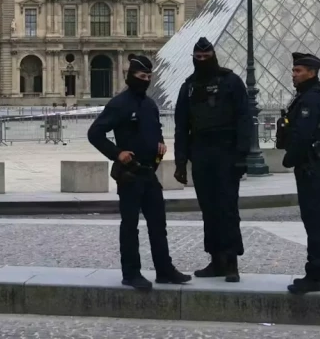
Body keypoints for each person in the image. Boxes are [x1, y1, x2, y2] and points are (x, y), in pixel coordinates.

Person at [87, 55, 191, 291]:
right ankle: (131, 273)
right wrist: (117, 153)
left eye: (149, 77)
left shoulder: (150, 104)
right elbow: (95, 133)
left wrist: (160, 143)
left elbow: (156, 129)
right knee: (130, 225)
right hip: (129, 173)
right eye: (142, 76)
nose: (146, 80)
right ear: (130, 76)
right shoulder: (118, 104)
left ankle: (164, 270)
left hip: (149, 172)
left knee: (158, 224)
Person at [173, 37, 251, 283]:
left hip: (226, 152)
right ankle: (216, 260)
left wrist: (242, 155)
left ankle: (231, 261)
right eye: (198, 58)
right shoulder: (188, 87)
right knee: (208, 209)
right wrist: (180, 162)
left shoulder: (231, 81)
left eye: (206, 57)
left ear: (214, 56)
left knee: (227, 208)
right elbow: (181, 127)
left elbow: (244, 119)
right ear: (193, 59)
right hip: (201, 152)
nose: (202, 61)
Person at [279, 52, 320, 294]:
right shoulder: (309, 95)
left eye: (298, 71)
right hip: (312, 162)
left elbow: (303, 135)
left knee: (313, 219)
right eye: (294, 70)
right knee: (312, 218)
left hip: (309, 163)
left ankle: (316, 274)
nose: (293, 74)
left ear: (311, 73)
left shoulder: (311, 99)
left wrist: (289, 159)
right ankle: (315, 271)